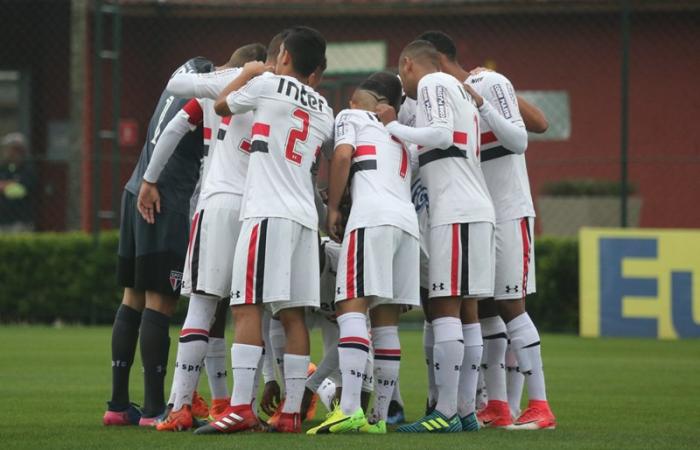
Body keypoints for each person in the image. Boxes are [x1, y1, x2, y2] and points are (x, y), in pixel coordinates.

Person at [195, 26, 334, 435]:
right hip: (305, 217)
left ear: (285, 54)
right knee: (292, 315)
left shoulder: (268, 84)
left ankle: (240, 407)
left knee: (246, 306)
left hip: (266, 212)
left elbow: (222, 106)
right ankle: (292, 411)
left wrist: (248, 71)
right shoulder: (324, 107)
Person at [418, 30, 556, 430]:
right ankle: (497, 404)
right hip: (481, 215)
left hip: (510, 210)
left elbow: (522, 137)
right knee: (490, 307)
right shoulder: (453, 100)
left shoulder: (486, 83)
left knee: (512, 306)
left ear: (437, 62)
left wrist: (489, 101)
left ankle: (541, 405)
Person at [135, 42, 270, 432]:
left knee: (203, 305)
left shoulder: (225, 81)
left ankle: (180, 404)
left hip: (214, 200)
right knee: (256, 310)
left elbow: (177, 115)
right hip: (260, 206)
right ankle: (249, 401)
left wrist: (148, 178)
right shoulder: (278, 88)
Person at [376, 40, 496, 433]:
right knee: (467, 310)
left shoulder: (432, 85)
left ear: (408, 64)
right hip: (473, 208)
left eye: (402, 75)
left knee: (445, 304)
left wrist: (393, 123)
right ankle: (465, 411)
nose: (404, 87)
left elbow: (442, 135)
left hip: (456, 211)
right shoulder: (458, 90)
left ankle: (444, 412)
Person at [102, 56, 214, 427]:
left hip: (134, 191)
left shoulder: (175, 84)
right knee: (159, 302)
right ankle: (153, 410)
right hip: (164, 199)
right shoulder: (206, 95)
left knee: (132, 297)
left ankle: (118, 406)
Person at [308, 71, 420, 435]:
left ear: (361, 100)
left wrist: (335, 207)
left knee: (350, 305)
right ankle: (380, 418)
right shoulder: (405, 139)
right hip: (406, 224)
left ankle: (351, 407)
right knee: (385, 319)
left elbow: (342, 156)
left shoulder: (350, 116)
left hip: (371, 219)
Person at [0, 133, 36, 232]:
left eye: (10, 148)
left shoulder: (28, 169)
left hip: (21, 221)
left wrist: (5, 186)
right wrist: (9, 185)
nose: (7, 151)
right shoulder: (3, 168)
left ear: (19, 150)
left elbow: (21, 190)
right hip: (2, 220)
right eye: (6, 148)